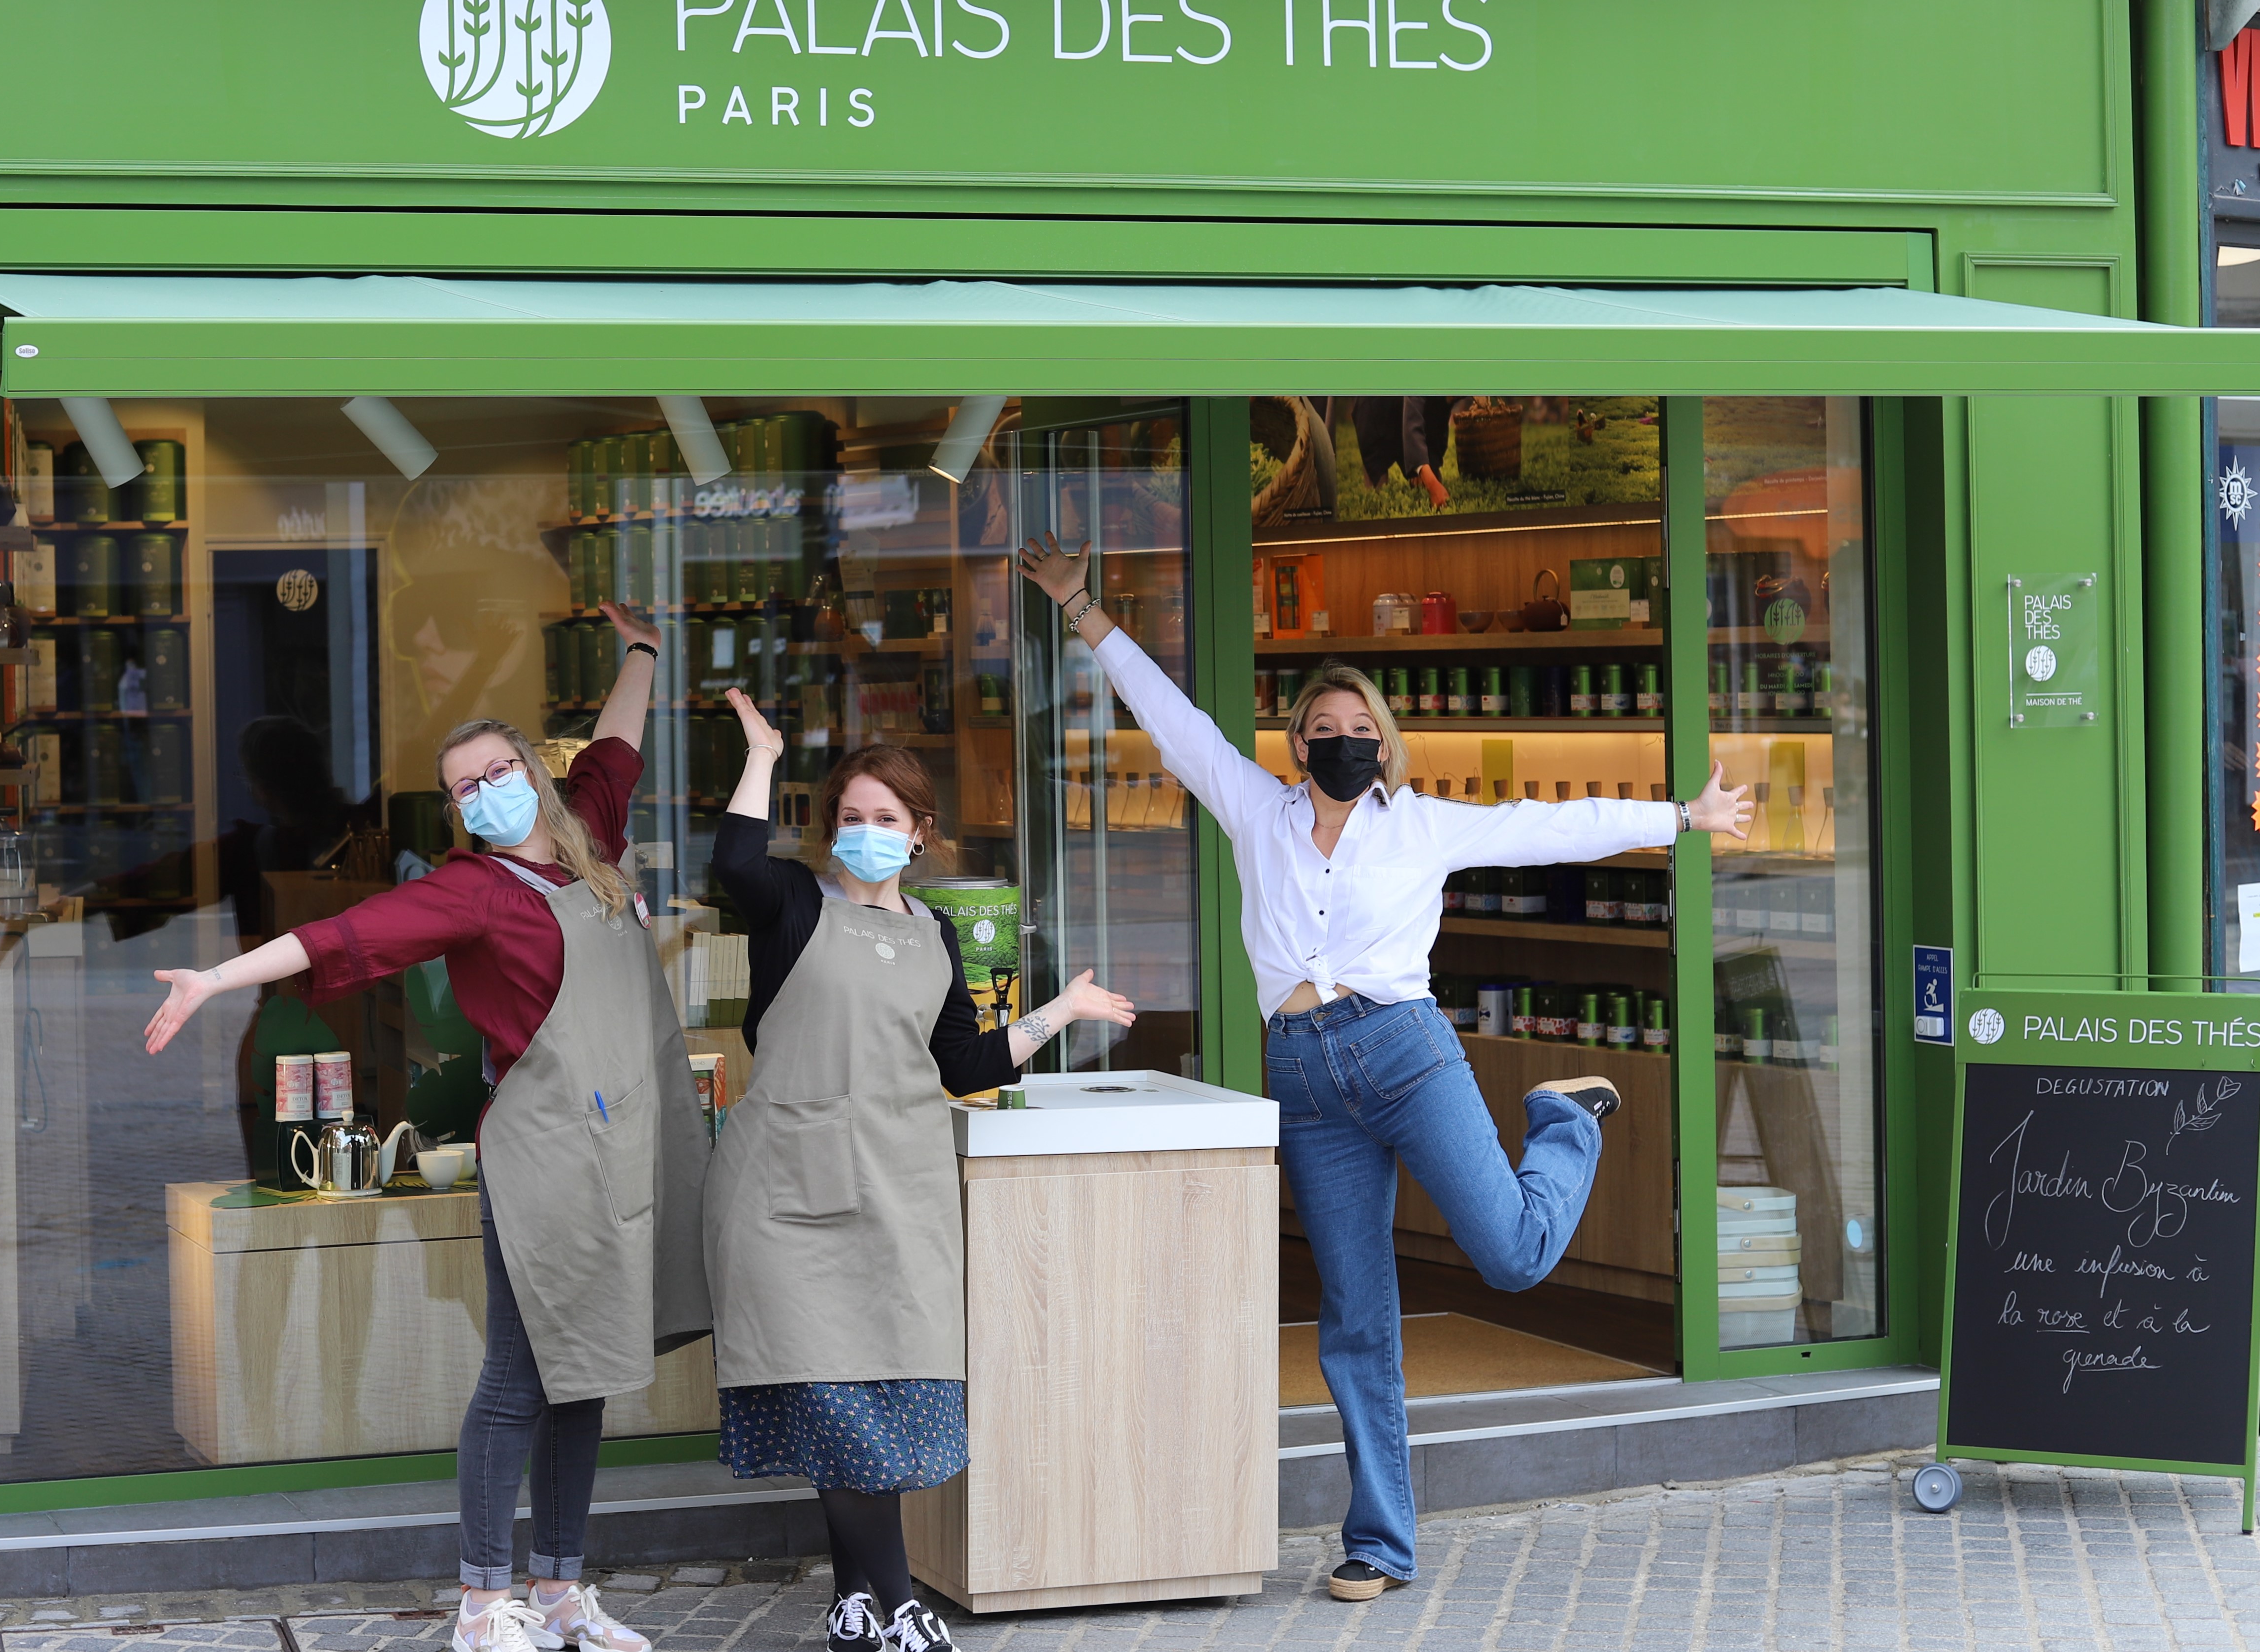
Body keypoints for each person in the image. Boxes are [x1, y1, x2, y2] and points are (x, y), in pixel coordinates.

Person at [1015, 532, 1751, 1604]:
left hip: (1405, 1052)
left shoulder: (1420, 829)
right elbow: (1169, 721)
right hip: (1305, 1080)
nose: (1345, 742)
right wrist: (1082, 605)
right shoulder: (1255, 813)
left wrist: (1678, 818)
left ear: (1386, 744)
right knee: (1355, 1316)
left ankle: (1565, 1125)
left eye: (1363, 730)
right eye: (1325, 730)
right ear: (1297, 745)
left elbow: (1543, 830)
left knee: (1507, 1255)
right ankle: (1379, 1544)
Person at [142, 603, 708, 1652]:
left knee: (584, 1380)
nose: (483, 794)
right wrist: (216, 976)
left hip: (616, 1150)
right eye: (463, 789)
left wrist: (643, 652)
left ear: (534, 776)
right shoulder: (469, 891)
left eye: (496, 773)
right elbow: (338, 935)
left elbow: (619, 744)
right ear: (455, 812)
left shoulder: (589, 836)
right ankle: (482, 1603)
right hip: (537, 1159)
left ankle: (560, 1593)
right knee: (518, 1379)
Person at [705, 692, 1135, 1652]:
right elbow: (732, 860)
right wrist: (764, 754)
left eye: (884, 820)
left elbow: (964, 1066)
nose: (865, 835)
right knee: (831, 1394)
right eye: (850, 820)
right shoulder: (788, 907)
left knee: (877, 1398)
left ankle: (854, 1599)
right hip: (784, 1196)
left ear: (920, 834)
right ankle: (900, 1607)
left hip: (897, 1195)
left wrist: (1057, 1014)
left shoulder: (933, 936)